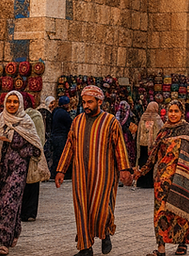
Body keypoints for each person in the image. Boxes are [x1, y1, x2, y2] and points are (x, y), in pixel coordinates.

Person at [55, 85, 133, 256]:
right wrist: (61, 170)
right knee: (81, 208)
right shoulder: (77, 121)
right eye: (84, 102)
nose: (86, 105)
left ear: (99, 102)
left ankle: (105, 233)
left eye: (90, 102)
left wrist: (124, 169)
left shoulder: (111, 121)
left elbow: (119, 146)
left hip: (104, 174)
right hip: (80, 173)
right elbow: (69, 146)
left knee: (102, 208)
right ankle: (85, 247)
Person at [135, 100, 189, 256]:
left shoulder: (187, 130)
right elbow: (153, 157)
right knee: (161, 213)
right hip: (162, 181)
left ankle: (182, 243)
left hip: (182, 179)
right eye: (170, 111)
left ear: (182, 113)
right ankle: (161, 248)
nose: (172, 114)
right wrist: (142, 171)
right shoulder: (163, 131)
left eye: (176, 111)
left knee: (181, 211)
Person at [0, 91, 45, 254]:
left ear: (21, 104)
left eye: (15, 102)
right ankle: (14, 228)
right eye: (9, 101)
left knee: (8, 203)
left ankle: (4, 242)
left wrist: (13, 141)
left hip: (17, 169)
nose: (11, 105)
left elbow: (35, 149)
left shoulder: (26, 122)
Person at [21, 92, 47, 222]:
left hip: (31, 154)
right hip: (18, 155)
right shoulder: (15, 116)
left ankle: (30, 212)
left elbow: (39, 135)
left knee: (32, 182)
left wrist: (36, 152)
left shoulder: (35, 116)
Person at [136, 101, 163, 189]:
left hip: (142, 143)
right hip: (152, 144)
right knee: (151, 161)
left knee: (143, 161)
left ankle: (141, 181)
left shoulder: (143, 117)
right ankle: (149, 182)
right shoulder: (156, 118)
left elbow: (139, 130)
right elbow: (161, 130)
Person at [115, 100, 138, 186]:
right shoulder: (130, 115)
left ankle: (126, 178)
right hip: (126, 140)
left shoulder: (118, 117)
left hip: (125, 140)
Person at [49, 95, 73, 175]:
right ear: (65, 104)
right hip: (61, 138)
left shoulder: (56, 111)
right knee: (61, 156)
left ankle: (54, 172)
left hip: (55, 136)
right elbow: (71, 124)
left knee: (56, 156)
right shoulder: (63, 113)